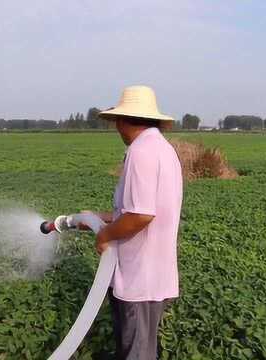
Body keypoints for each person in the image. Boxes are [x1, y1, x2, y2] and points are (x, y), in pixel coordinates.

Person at [87, 85, 183, 360]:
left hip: (140, 277)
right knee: (133, 348)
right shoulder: (162, 149)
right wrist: (98, 218)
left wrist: (104, 235)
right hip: (150, 273)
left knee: (137, 353)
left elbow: (141, 215)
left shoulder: (141, 152)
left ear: (122, 120)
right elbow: (141, 209)